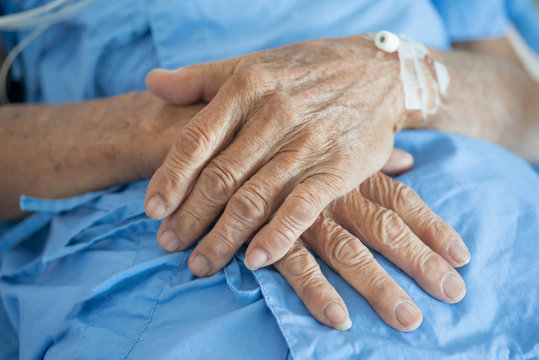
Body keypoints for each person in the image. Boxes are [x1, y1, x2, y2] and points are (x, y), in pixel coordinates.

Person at [0, 0, 538, 359]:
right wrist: (187, 128)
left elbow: (528, 113)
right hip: (164, 239)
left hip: (490, 218)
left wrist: (395, 74)